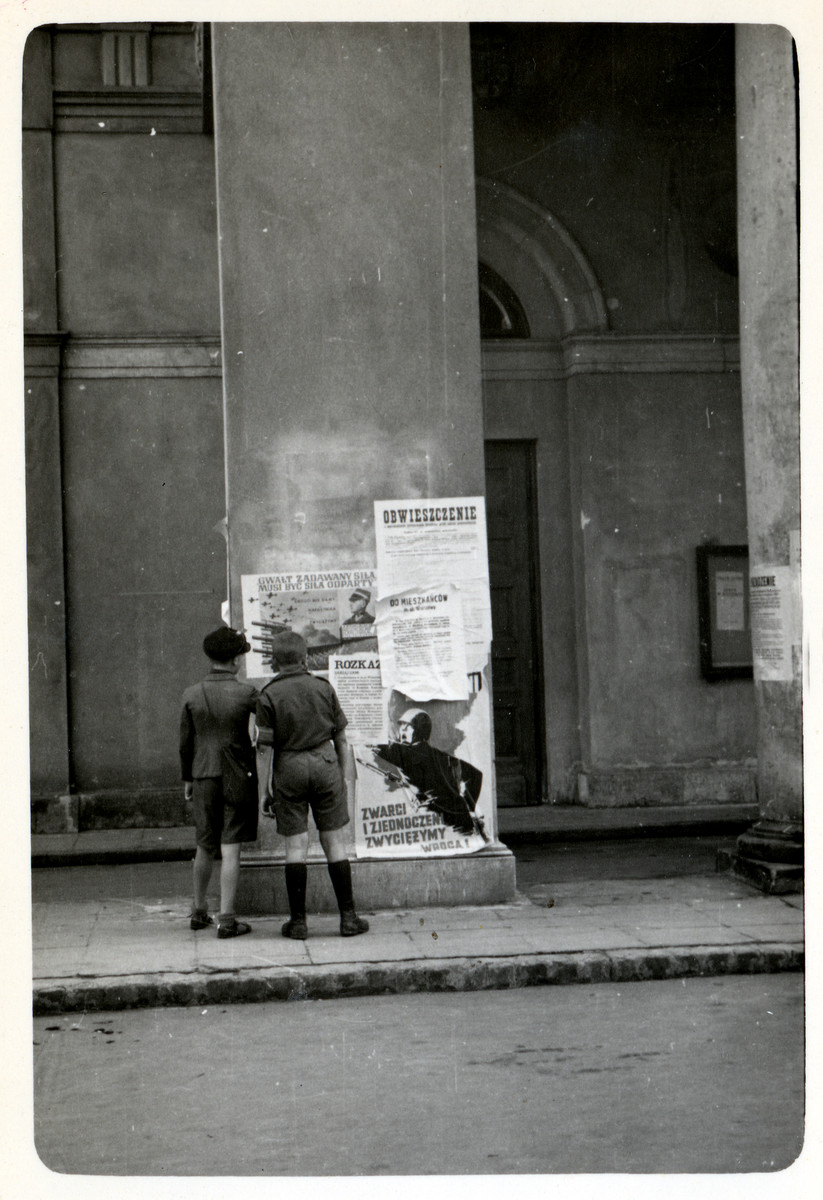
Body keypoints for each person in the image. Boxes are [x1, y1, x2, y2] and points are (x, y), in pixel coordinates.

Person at [256, 630, 369, 939]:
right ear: (305, 658)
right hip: (325, 765)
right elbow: (341, 738)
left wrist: (264, 790)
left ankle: (298, 922)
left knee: (295, 846)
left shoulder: (267, 695)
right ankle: (348, 918)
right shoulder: (324, 687)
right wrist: (344, 777)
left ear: (274, 662)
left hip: (289, 767)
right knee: (334, 842)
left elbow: (264, 748)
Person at [179, 626, 258, 938]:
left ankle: (198, 912)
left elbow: (185, 743)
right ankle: (227, 919)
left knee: (204, 845)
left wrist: (188, 777)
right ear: (236, 659)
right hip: (237, 776)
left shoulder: (191, 694)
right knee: (231, 848)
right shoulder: (247, 693)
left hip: (202, 774)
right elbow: (266, 728)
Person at [374, 707, 487, 840]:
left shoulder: (406, 753)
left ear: (419, 730)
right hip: (462, 819)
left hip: (442, 822)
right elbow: (475, 775)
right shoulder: (441, 756)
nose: (402, 730)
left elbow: (375, 744)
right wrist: (469, 806)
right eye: (401, 725)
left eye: (408, 726)